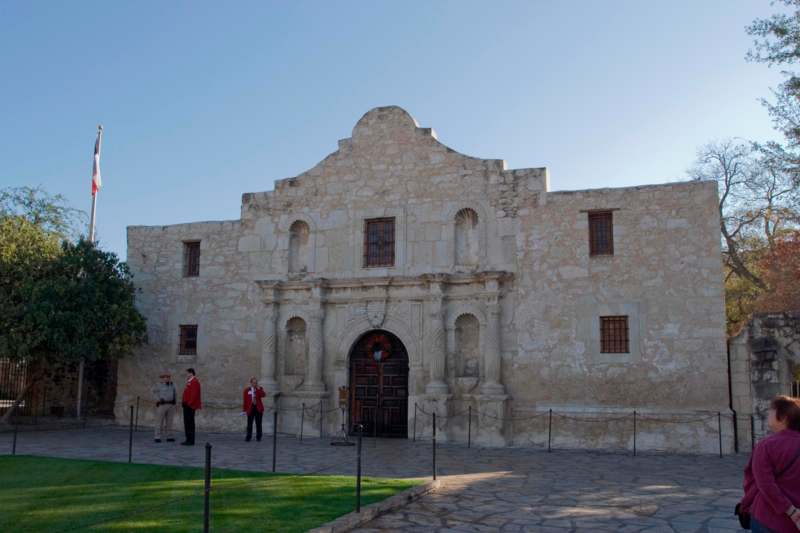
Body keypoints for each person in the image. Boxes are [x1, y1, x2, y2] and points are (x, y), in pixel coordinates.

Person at [739, 395, 800, 532]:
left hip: (769, 518)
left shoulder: (766, 446)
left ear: (783, 417)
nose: (768, 414)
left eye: (771, 410)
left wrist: (790, 511)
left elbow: (765, 485)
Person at [153, 372, 177, 443]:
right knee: (159, 421)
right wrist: (158, 399)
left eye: (168, 377)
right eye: (165, 377)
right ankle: (157, 436)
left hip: (171, 404)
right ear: (162, 378)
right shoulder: (158, 385)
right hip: (162, 405)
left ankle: (169, 436)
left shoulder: (173, 385)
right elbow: (154, 393)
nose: (166, 378)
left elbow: (175, 393)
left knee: (169, 421)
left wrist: (175, 402)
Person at [181, 368, 202, 446]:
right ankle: (188, 439)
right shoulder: (190, 382)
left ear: (191, 373)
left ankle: (190, 440)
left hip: (190, 406)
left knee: (190, 423)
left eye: (187, 373)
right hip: (187, 405)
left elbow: (194, 395)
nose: (186, 375)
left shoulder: (194, 382)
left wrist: (188, 403)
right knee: (187, 423)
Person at [242, 377, 267, 442]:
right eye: (253, 383)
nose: (254, 384)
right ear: (251, 383)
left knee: (259, 424)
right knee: (249, 424)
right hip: (250, 409)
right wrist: (245, 410)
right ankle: (248, 437)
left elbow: (263, 395)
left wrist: (259, 389)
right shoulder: (247, 390)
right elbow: (245, 401)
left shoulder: (259, 389)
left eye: (256, 383)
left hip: (258, 409)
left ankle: (259, 437)